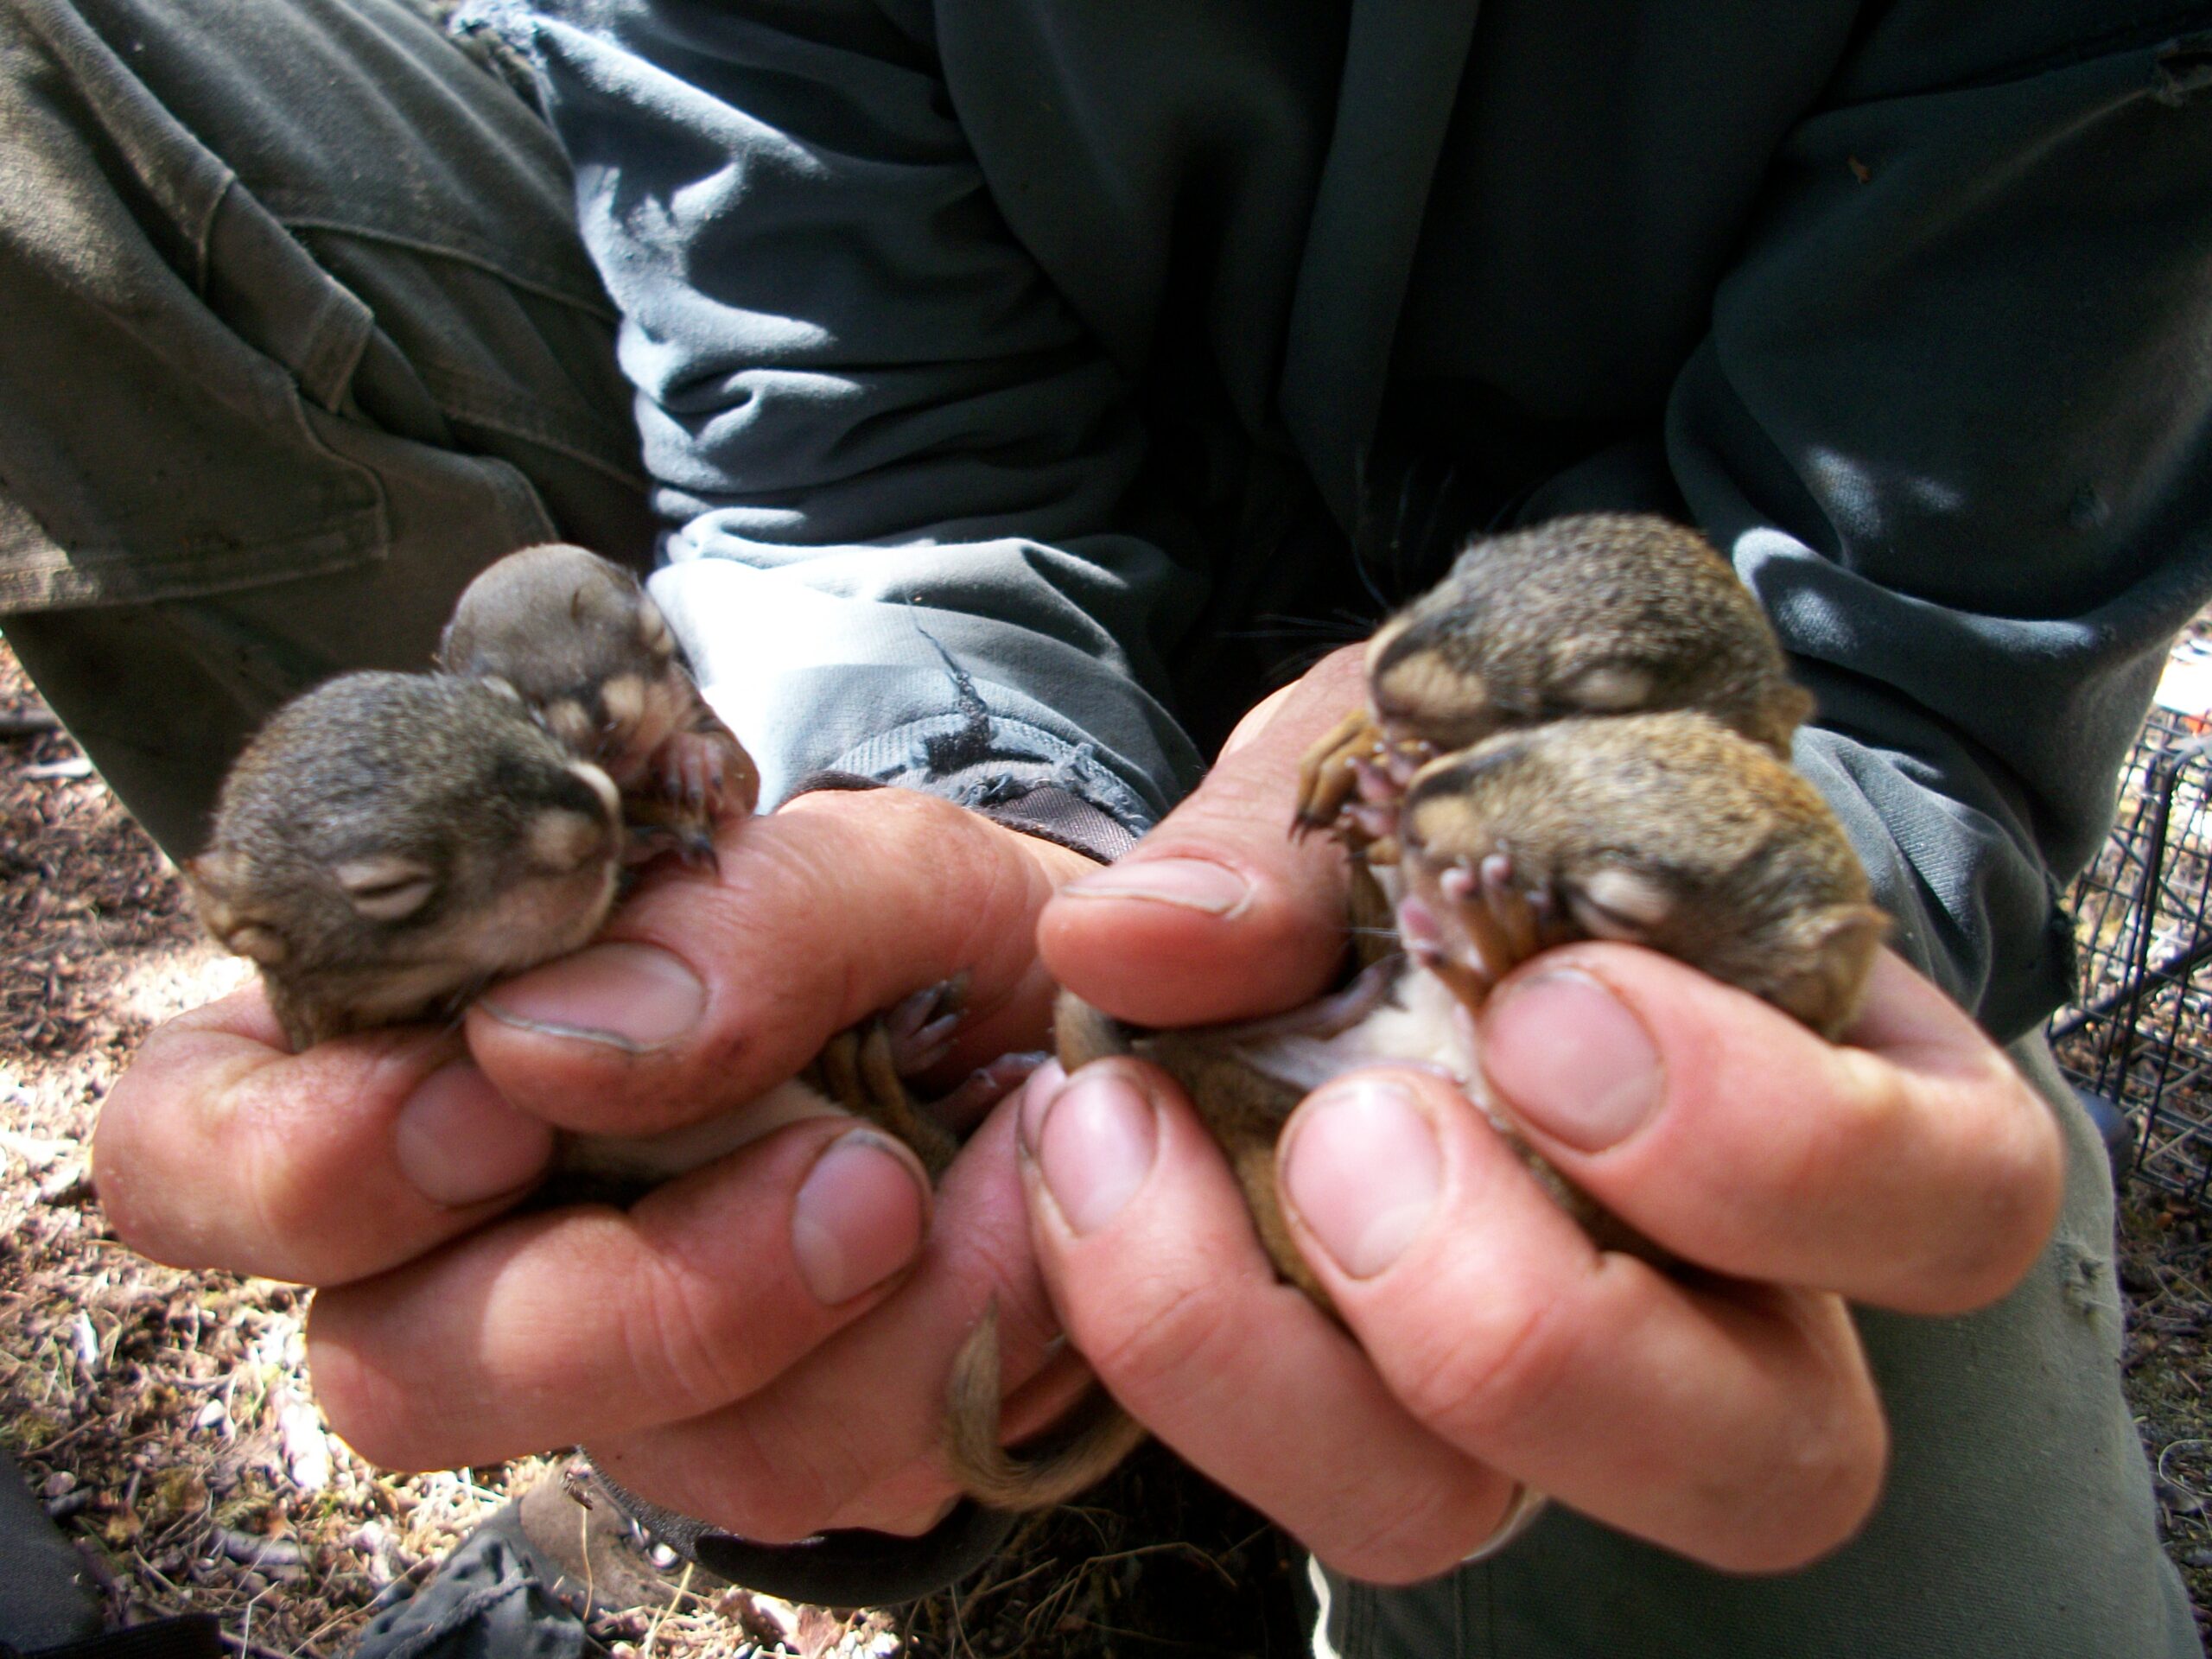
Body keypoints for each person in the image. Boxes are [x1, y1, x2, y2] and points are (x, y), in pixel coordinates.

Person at [7, 0, 2209, 1652]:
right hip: (1048, 653)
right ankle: (786, 1301)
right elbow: (848, 441)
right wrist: (953, 822)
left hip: (1525, 748)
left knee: (1750, 1468)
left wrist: (1608, 929)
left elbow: (1882, 641)